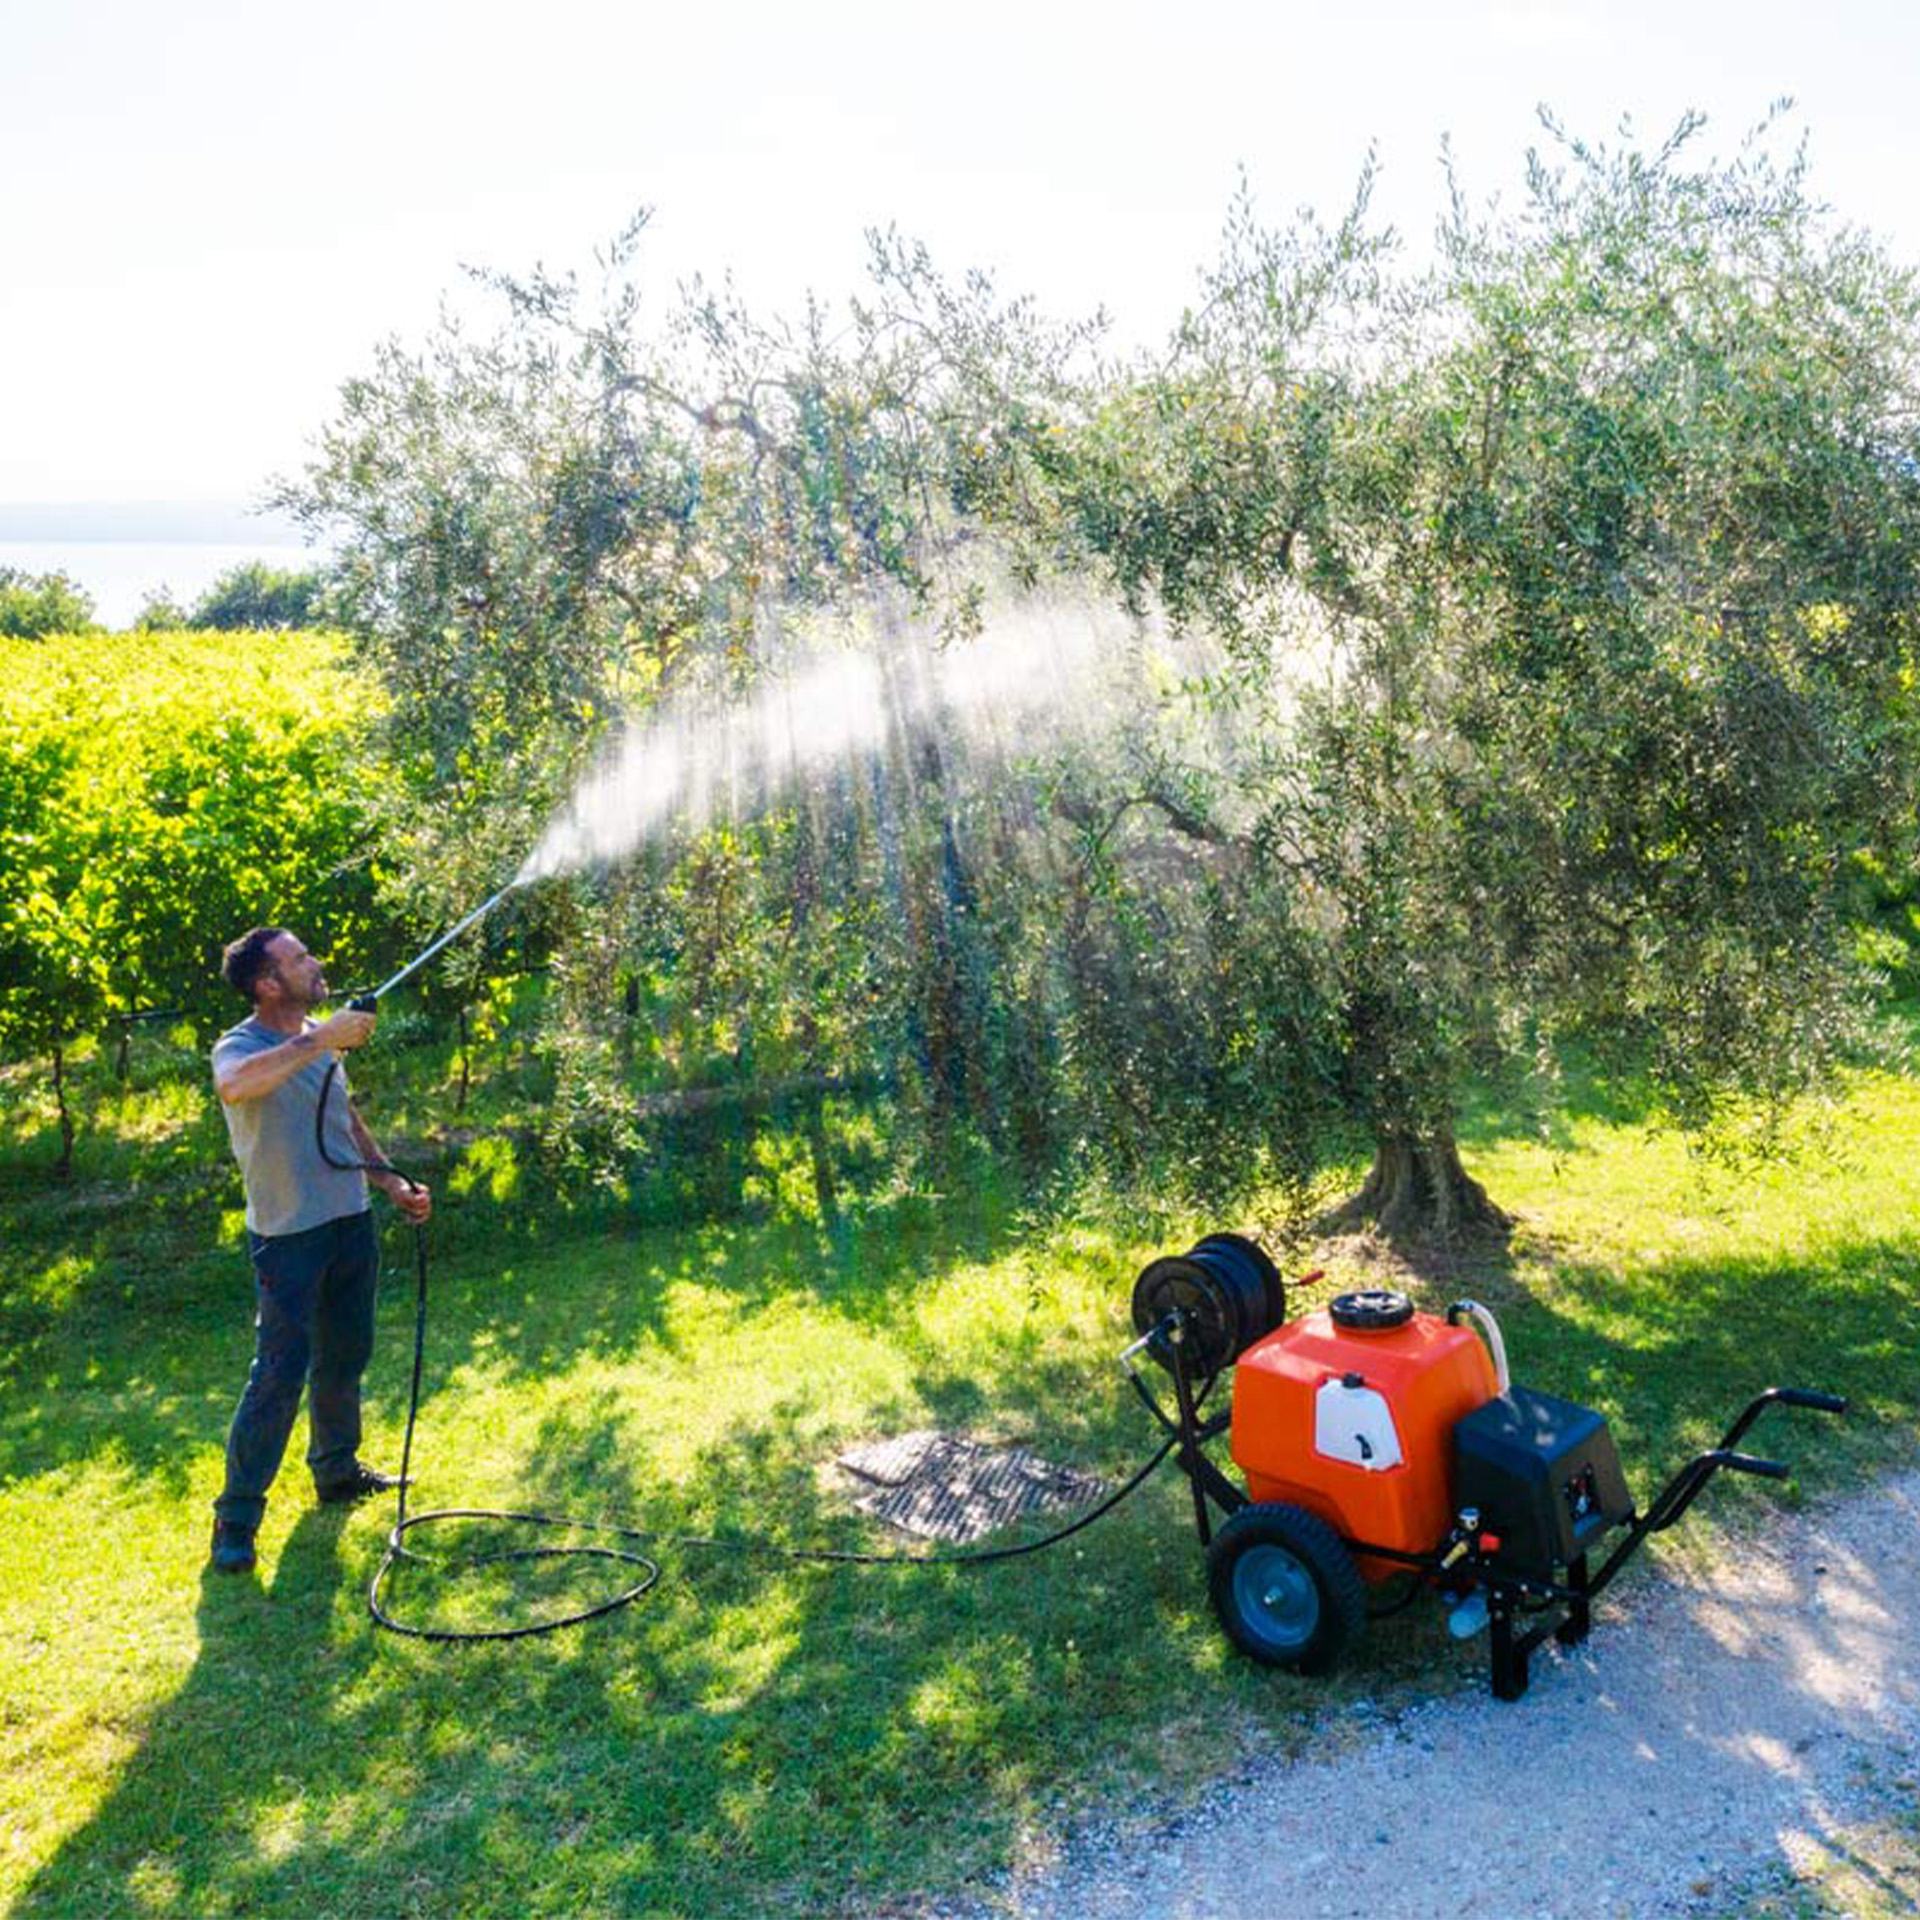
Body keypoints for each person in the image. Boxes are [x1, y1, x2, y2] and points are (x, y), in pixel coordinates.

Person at [206, 927, 431, 1575]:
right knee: (278, 1374)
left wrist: (390, 1180)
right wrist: (319, 1038)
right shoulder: (242, 1046)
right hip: (288, 1239)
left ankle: (336, 1470)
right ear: (266, 984)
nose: (316, 963)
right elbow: (235, 1087)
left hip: (349, 1223)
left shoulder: (320, 1042)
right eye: (299, 959)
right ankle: (237, 1517)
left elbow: (344, 1118)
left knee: (344, 1357)